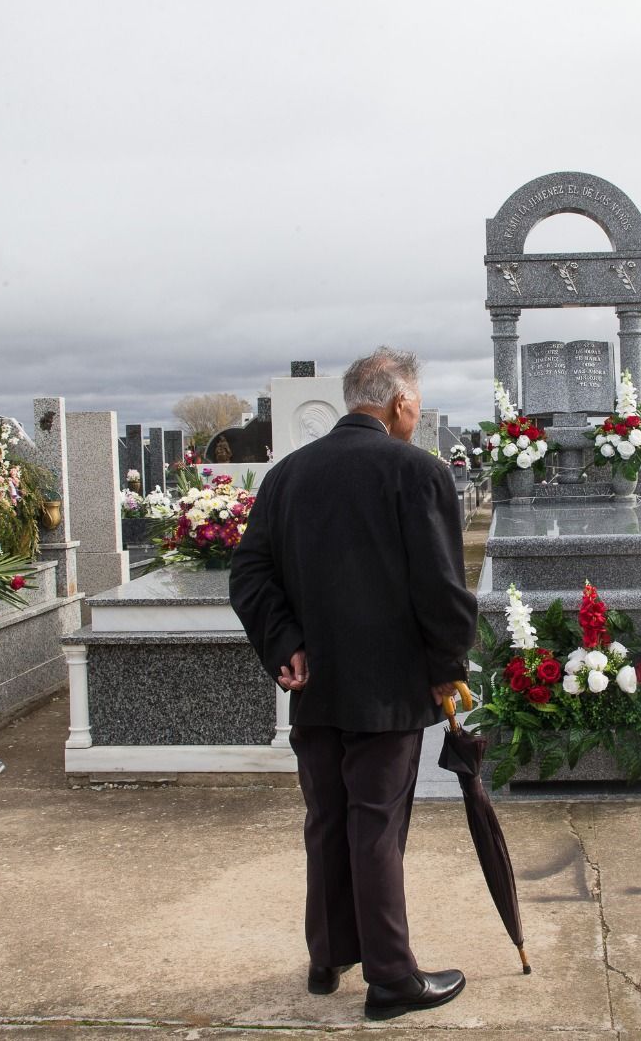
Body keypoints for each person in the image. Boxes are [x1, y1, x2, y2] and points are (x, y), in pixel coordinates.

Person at [229, 346, 477, 1020]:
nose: (417, 412)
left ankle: (329, 954)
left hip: (315, 687)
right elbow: (440, 589)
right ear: (398, 403)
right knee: (375, 826)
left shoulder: (288, 477)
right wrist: (449, 668)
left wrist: (286, 645)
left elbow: (249, 574)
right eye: (416, 402)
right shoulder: (418, 472)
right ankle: (392, 980)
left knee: (328, 820)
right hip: (389, 689)